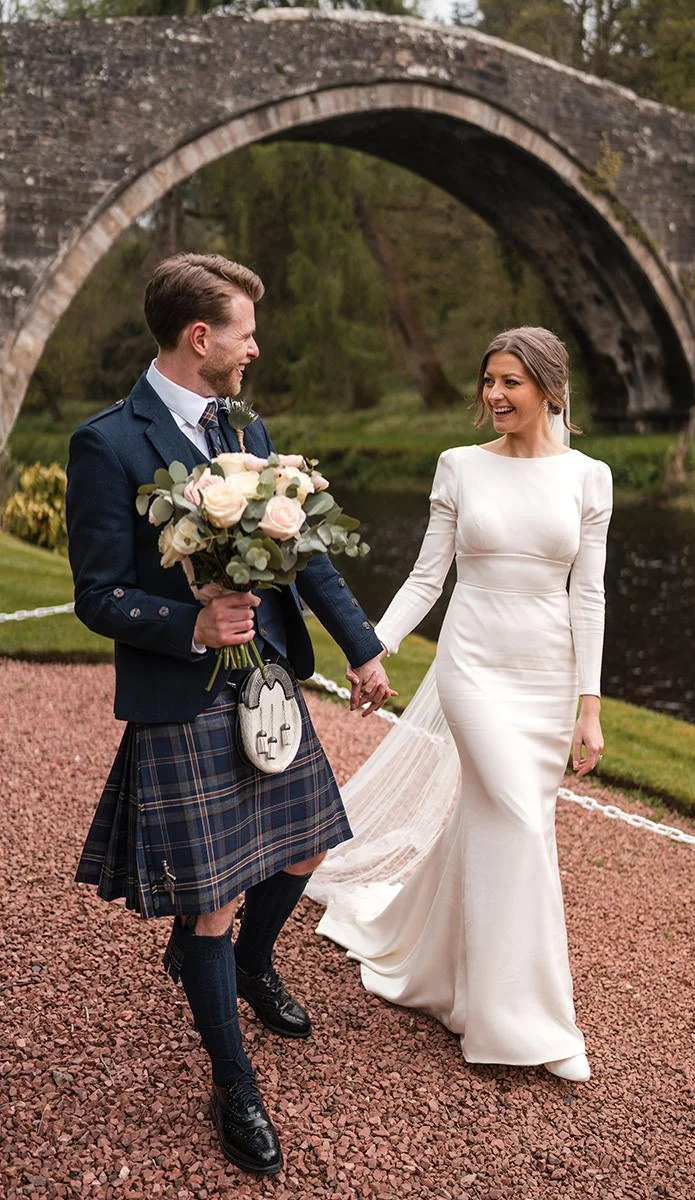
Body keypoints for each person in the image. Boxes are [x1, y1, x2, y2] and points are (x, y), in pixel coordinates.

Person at [66, 253, 393, 1176]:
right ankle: (234, 1084)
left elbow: (307, 552)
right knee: (207, 902)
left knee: (306, 846)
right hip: (184, 695)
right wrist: (193, 623)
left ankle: (250, 965)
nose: (257, 347)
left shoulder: (242, 423)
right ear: (200, 337)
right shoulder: (109, 442)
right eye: (245, 332)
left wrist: (361, 645)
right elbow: (97, 596)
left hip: (271, 679)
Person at [310, 326, 612, 1082]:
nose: (494, 395)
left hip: (546, 674)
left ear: (548, 386)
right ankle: (525, 1024)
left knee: (501, 820)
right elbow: (424, 580)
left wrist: (590, 704)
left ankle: (445, 972)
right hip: (472, 666)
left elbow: (590, 596)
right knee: (516, 817)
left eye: (511, 381)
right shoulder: (459, 467)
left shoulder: (590, 478)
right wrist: (369, 646)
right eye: (488, 381)